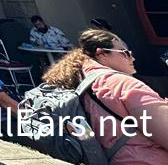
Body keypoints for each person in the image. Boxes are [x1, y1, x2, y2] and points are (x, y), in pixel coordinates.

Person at [43, 28, 168, 164]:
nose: (132, 58)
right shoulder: (124, 85)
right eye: (125, 53)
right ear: (101, 54)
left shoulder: (78, 82)